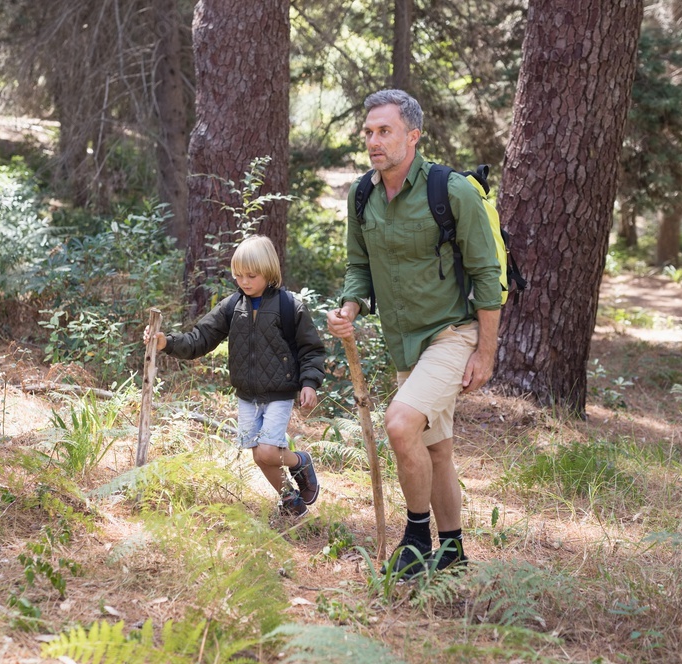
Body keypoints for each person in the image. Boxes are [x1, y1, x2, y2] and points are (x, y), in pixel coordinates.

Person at [326, 89, 502, 578]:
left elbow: (487, 275)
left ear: (413, 135)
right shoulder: (361, 196)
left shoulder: (452, 190)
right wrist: (349, 308)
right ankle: (453, 552)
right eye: (368, 132)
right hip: (405, 343)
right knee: (435, 448)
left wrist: (485, 355)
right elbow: (358, 266)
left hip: (451, 334)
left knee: (401, 424)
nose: (374, 141)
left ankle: (415, 539)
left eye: (385, 131)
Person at [145, 235, 326, 518]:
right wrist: (166, 342)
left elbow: (310, 349)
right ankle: (290, 499)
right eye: (238, 275)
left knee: (267, 451)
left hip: (279, 393)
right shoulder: (233, 306)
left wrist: (309, 383)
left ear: (269, 272)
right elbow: (200, 338)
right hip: (247, 395)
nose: (244, 281)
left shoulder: (289, 306)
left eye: (251, 275)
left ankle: (300, 461)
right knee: (257, 455)